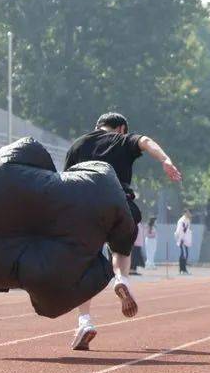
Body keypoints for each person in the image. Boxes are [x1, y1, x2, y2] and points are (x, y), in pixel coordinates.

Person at [63, 112, 182, 351]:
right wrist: (165, 160)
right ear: (121, 129)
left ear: (98, 127)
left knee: (84, 266)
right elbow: (146, 141)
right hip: (120, 204)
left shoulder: (78, 145)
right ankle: (121, 278)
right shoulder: (122, 140)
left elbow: (65, 180)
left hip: (85, 207)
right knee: (121, 249)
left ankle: (84, 321)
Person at [175, 209, 193, 274]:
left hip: (186, 240)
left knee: (185, 254)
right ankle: (182, 269)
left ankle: (183, 269)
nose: (189, 214)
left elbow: (187, 230)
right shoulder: (182, 221)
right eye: (188, 213)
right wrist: (181, 239)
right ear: (185, 213)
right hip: (182, 239)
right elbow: (180, 230)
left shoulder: (187, 220)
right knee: (183, 254)